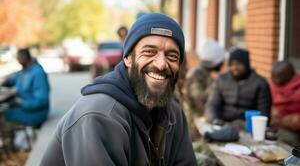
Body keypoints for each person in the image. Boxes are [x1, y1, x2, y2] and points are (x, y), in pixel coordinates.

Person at [41, 13, 197, 166]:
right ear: (128, 58)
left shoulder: (173, 113)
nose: (162, 64)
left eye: (172, 56)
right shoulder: (98, 115)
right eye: (149, 52)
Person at [206, 48, 272, 124]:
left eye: (238, 64)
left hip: (249, 126)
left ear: (247, 64)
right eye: (231, 64)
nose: (235, 68)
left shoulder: (260, 83)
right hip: (223, 123)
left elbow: (264, 113)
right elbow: (212, 105)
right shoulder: (221, 80)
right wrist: (214, 119)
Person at [2, 48, 50, 127]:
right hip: (26, 108)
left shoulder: (37, 73)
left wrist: (21, 103)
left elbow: (42, 101)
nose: (17, 60)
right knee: (5, 108)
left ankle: (11, 138)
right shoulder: (25, 70)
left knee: (3, 114)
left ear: (24, 58)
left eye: (18, 58)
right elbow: (13, 79)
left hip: (37, 113)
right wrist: (5, 81)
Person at [270, 60, 300, 145]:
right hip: (274, 125)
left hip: (293, 131)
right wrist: (272, 109)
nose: (275, 81)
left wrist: (287, 121)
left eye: (278, 78)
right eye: (273, 78)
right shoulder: (272, 86)